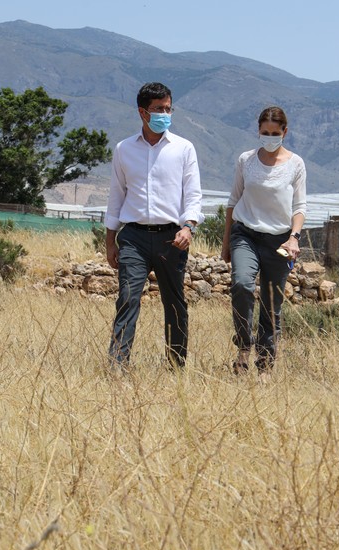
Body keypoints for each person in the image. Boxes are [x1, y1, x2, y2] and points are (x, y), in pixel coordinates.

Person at [105, 82, 203, 368]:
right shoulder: (124, 149)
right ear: (142, 113)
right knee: (127, 298)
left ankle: (175, 365)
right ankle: (118, 366)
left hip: (171, 237)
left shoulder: (184, 149)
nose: (165, 114)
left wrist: (189, 227)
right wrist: (110, 241)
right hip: (133, 237)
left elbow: (194, 195)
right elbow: (116, 197)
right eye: (159, 109)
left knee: (174, 303)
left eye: (168, 109)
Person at [221, 106, 306, 374]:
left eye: (274, 133)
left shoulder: (296, 164)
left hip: (280, 241)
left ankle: (266, 363)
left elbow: (299, 207)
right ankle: (244, 346)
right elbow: (233, 201)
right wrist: (226, 243)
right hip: (245, 233)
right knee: (242, 284)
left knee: (272, 302)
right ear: (257, 131)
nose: (269, 137)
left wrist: (294, 238)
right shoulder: (246, 160)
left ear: (285, 132)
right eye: (264, 132)